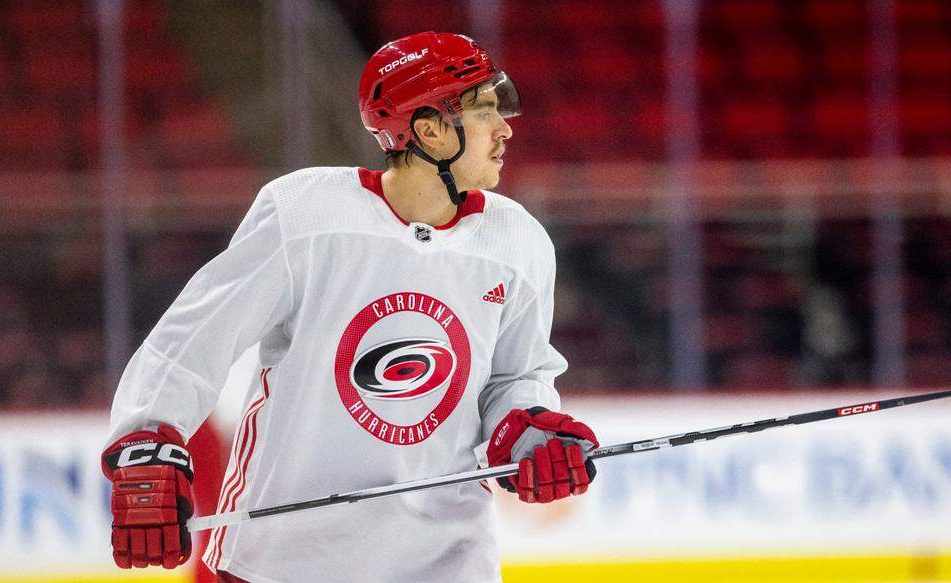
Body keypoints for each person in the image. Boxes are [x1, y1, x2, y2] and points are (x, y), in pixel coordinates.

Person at [100, 31, 599, 582]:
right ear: (430, 129)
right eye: (484, 111)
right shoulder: (306, 216)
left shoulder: (517, 241)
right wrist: (147, 443)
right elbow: (194, 338)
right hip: (287, 563)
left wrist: (528, 432)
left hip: (445, 561)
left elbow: (518, 376)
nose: (506, 127)